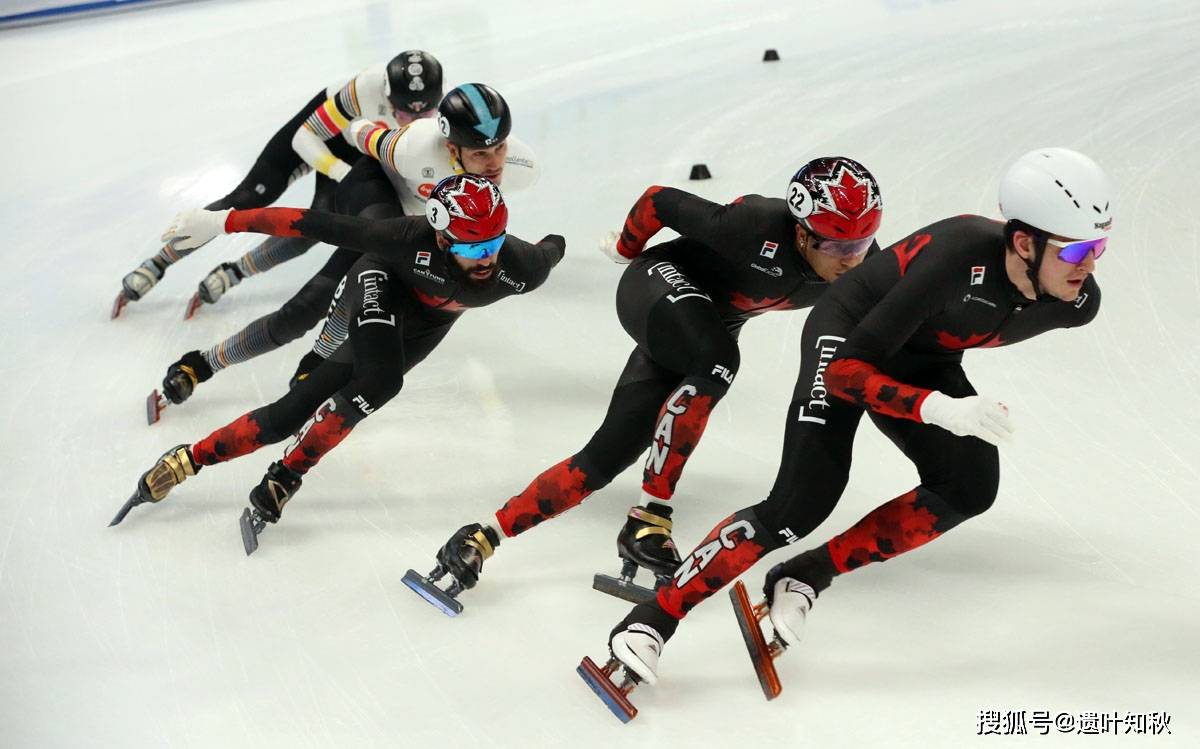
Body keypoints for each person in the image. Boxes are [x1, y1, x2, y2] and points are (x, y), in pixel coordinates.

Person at [590, 148, 1111, 710]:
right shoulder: (957, 256)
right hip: (846, 336)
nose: (1089, 265)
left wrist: (932, 394)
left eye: (1100, 247)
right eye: (1079, 249)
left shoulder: (1075, 302)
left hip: (917, 356)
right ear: (1024, 243)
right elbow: (845, 372)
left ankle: (806, 575)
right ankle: (651, 620)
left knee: (969, 487)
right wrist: (935, 408)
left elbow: (926, 347)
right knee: (800, 505)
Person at [410, 157, 883, 611]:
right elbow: (658, 200)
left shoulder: (864, 263)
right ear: (801, 233)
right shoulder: (755, 223)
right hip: (656, 286)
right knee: (721, 359)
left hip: (698, 331)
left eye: (863, 244)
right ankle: (650, 521)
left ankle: (480, 537)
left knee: (607, 456)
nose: (852, 259)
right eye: (839, 247)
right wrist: (623, 249)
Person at [110, 175, 566, 555]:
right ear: (442, 235)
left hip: (429, 322)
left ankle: (279, 471)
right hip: (381, 282)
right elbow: (313, 224)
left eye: (494, 243)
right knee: (368, 382)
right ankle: (194, 459)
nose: (486, 258)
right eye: (471, 249)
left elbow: (553, 246)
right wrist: (222, 221)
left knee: (331, 397)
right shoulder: (407, 238)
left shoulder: (521, 267)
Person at [150, 84, 539, 418]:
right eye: (480, 155)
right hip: (372, 190)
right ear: (452, 149)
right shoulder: (412, 147)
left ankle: (310, 358)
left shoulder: (520, 166)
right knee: (322, 297)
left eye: (500, 149)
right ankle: (203, 364)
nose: (493, 165)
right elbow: (357, 130)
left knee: (367, 290)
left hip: (416, 226)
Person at [112, 50, 444, 317]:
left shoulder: (435, 117)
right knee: (244, 198)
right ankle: (158, 262)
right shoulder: (364, 89)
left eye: (423, 114)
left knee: (314, 229)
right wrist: (340, 172)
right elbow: (305, 138)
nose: (414, 122)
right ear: (387, 96)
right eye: (403, 113)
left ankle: (235, 272)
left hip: (360, 144)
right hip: (318, 135)